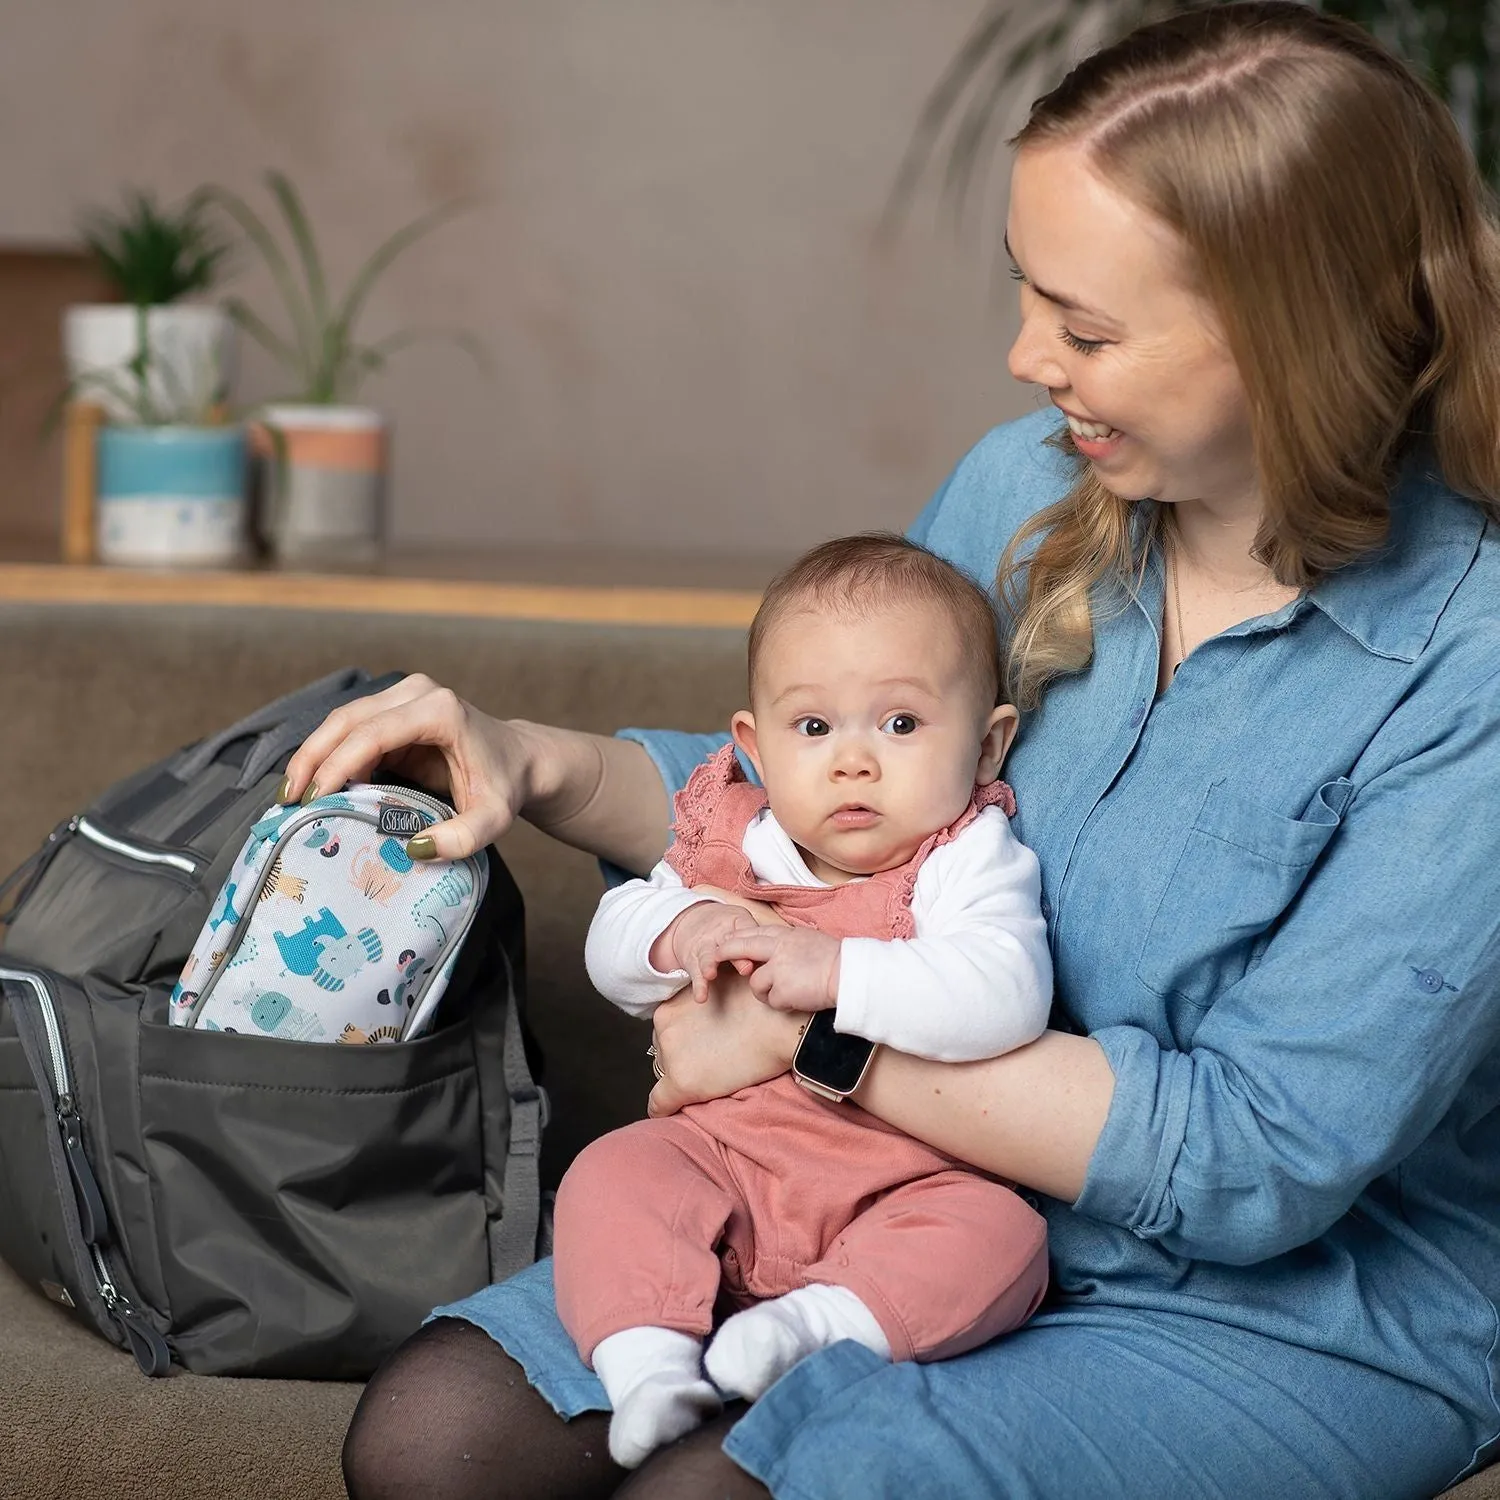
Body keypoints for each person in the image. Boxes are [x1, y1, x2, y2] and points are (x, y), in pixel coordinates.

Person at [317, 3, 1500, 1495]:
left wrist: (813, 1045)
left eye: (1084, 328)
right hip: (895, 1195)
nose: (1023, 358)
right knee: (433, 1442)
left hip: (1282, 1313)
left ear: (1294, 330)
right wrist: (527, 758)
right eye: (1027, 297)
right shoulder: (1029, 487)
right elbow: (843, 804)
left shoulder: (1474, 662)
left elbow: (1255, 1154)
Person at [559, 534, 1052, 1467]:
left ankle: (819, 1326)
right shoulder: (732, 844)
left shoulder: (966, 858)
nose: (853, 763)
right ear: (753, 746)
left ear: (987, 744)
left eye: (901, 725)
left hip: (904, 1183)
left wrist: (838, 973)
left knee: (1005, 1240)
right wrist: (685, 930)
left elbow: (1006, 993)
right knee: (612, 1175)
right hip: (725, 1161)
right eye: (814, 729)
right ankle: (650, 1365)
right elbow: (612, 945)